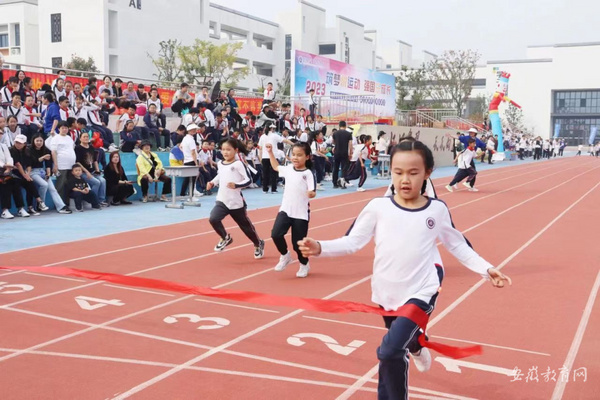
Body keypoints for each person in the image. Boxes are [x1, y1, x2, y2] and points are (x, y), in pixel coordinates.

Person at [297, 140, 511, 400]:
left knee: (389, 352)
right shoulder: (378, 207)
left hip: (422, 289)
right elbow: (352, 241)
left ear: (427, 173)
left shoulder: (436, 210)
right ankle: (418, 345)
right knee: (403, 340)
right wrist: (319, 247)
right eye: (398, 172)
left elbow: (458, 245)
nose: (405, 179)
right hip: (387, 292)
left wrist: (486, 269)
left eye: (413, 172)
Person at [206, 138, 265, 257]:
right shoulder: (220, 164)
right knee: (213, 218)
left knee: (246, 228)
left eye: (228, 149)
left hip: (236, 202)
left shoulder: (239, 164)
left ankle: (258, 243)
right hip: (222, 200)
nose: (225, 152)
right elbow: (220, 176)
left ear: (236, 150)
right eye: (223, 150)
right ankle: (225, 237)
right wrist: (212, 182)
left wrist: (236, 185)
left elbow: (249, 180)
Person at [266, 142, 316, 278]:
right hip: (286, 210)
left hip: (300, 213)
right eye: (293, 154)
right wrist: (270, 153)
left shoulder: (308, 173)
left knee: (297, 244)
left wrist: (311, 193)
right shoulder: (288, 169)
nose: (295, 157)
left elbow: (312, 191)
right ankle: (285, 255)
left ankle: (304, 264)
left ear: (307, 157)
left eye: (299, 155)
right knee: (275, 234)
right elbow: (276, 166)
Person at [28, 134, 71, 213]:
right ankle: (40, 204)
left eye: (41, 141)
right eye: (37, 141)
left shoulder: (45, 149)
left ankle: (61, 207)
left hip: (42, 171)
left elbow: (48, 163)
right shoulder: (29, 149)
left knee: (52, 189)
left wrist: (48, 173)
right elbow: (31, 162)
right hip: (32, 172)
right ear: (33, 141)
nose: (39, 142)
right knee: (44, 184)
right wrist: (43, 158)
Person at [9, 134, 48, 215]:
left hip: (23, 173)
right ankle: (21, 209)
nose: (18, 144)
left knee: (30, 182)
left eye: (20, 143)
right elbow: (18, 164)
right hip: (13, 174)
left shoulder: (26, 151)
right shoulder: (11, 150)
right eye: (17, 142)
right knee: (17, 186)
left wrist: (28, 174)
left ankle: (33, 205)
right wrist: (25, 175)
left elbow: (29, 165)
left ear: (24, 144)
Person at [258, 124, 294, 194]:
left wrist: (260, 157)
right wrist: (294, 144)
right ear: (271, 128)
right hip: (273, 156)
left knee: (265, 173)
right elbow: (285, 140)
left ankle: (265, 189)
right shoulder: (274, 135)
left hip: (265, 157)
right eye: (273, 128)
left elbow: (260, 148)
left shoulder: (262, 136)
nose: (274, 130)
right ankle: (273, 189)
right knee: (274, 173)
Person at [75, 131, 108, 206]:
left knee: (102, 180)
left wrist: (97, 170)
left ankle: (101, 200)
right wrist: (87, 172)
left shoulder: (91, 147)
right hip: (83, 172)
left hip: (92, 171)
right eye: (84, 137)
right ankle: (93, 200)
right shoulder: (78, 148)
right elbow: (78, 162)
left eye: (87, 137)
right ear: (80, 138)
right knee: (96, 182)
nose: (86, 138)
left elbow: (95, 160)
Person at [51, 121, 77, 204]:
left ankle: (67, 203)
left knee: (68, 185)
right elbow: (53, 152)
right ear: (59, 129)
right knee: (60, 186)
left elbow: (72, 149)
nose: (64, 129)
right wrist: (55, 165)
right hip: (61, 165)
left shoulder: (69, 138)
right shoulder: (55, 138)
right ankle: (60, 204)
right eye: (62, 128)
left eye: (66, 128)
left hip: (71, 165)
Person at [332, 121, 353, 188]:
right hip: (344, 152)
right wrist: (350, 153)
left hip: (337, 152)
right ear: (345, 125)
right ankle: (343, 183)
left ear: (339, 125)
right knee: (344, 168)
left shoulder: (335, 133)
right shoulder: (348, 134)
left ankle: (335, 183)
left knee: (335, 168)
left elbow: (333, 142)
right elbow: (350, 144)